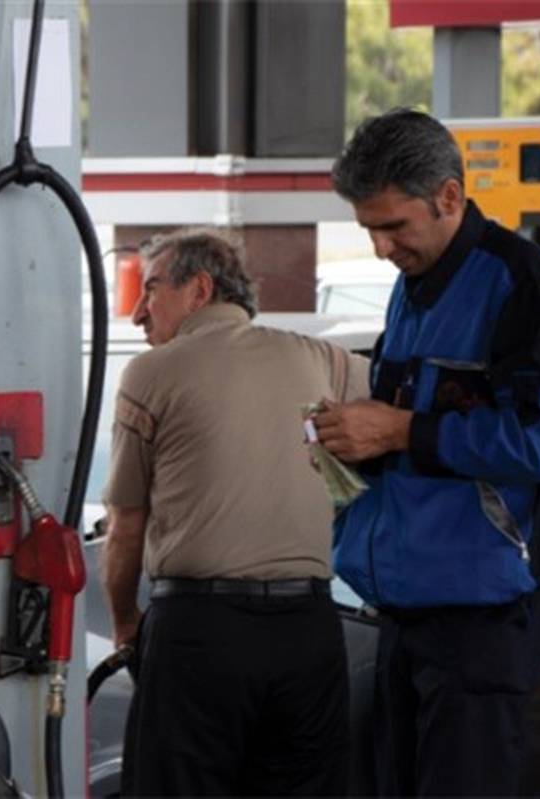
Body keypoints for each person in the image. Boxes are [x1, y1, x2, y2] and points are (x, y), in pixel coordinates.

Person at [314, 108, 540, 797]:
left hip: (481, 618)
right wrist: (349, 441)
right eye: (369, 229)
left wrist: (400, 432)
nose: (381, 248)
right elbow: (408, 419)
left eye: (394, 226)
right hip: (402, 609)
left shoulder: (519, 282)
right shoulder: (413, 286)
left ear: (450, 196)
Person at [101, 228, 370, 796]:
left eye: (151, 290)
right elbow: (393, 408)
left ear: (199, 290)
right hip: (310, 633)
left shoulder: (151, 373)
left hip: (201, 633)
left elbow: (125, 527)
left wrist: (125, 624)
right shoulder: (323, 358)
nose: (138, 313)